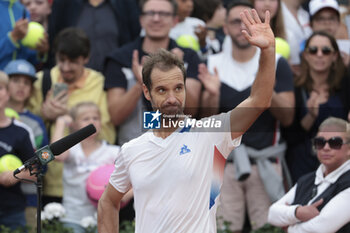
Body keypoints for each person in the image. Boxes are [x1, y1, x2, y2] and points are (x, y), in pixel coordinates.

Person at [98, 7, 276, 233]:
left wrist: (268, 51)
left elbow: (259, 101)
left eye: (178, 88)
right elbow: (107, 201)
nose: (172, 98)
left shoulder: (210, 133)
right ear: (147, 92)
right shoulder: (132, 149)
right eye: (162, 90)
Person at [199, 1, 294, 231]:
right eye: (235, 22)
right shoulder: (211, 64)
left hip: (265, 163)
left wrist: (264, 81)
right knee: (220, 229)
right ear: (224, 28)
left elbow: (288, 117)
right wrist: (212, 96)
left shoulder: (276, 62)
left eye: (248, 21)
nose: (242, 28)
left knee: (267, 229)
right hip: (220, 165)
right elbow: (204, 124)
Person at [27, 27, 116, 205]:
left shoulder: (98, 82)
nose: (66, 68)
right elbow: (26, 128)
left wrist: (66, 118)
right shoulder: (42, 80)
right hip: (50, 181)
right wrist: (45, 114)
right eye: (62, 60)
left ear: (86, 58)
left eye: (73, 61)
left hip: (90, 183)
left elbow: (106, 132)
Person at [103, 0, 201, 146]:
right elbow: (115, 117)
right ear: (141, 20)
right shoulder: (120, 58)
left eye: (163, 14)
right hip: (133, 151)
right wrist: (140, 83)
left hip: (178, 148)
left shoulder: (188, 57)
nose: (156, 18)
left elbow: (192, 111)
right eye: (150, 13)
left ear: (175, 20)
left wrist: (179, 74)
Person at [283, 31, 350, 183]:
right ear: (305, 56)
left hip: (340, 163)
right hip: (303, 164)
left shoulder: (345, 86)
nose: (319, 55)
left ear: (334, 56)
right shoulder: (295, 88)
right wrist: (310, 116)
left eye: (326, 51)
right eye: (313, 50)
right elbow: (290, 137)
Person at [268, 117, 350, 233]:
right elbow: (272, 214)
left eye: (335, 143)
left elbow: (322, 228)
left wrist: (289, 227)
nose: (326, 148)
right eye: (320, 142)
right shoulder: (307, 180)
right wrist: (297, 212)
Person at [52, 102, 121, 233]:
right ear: (75, 124)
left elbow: (133, 177)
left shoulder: (112, 151)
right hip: (72, 218)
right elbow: (57, 155)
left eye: (95, 118)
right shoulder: (72, 150)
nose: (92, 122)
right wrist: (61, 123)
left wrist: (124, 196)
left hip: (102, 218)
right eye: (85, 119)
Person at [3, 59, 49, 231]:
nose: (21, 86)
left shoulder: (35, 123)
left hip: (28, 198)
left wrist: (35, 160)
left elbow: (44, 161)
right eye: (16, 81)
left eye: (26, 82)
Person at [46, 0, 141, 71]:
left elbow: (134, 42)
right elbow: (55, 43)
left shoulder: (126, 3)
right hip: (73, 80)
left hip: (116, 83)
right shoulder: (64, 4)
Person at [0, 71, 36, 231]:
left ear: (8, 93)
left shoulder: (22, 131)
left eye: (0, 88)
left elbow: (37, 169)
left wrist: (15, 175)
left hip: (12, 211)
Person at [0, 0, 49, 69]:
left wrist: (40, 52)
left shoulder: (23, 10)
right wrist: (12, 37)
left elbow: (28, 57)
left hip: (22, 77)